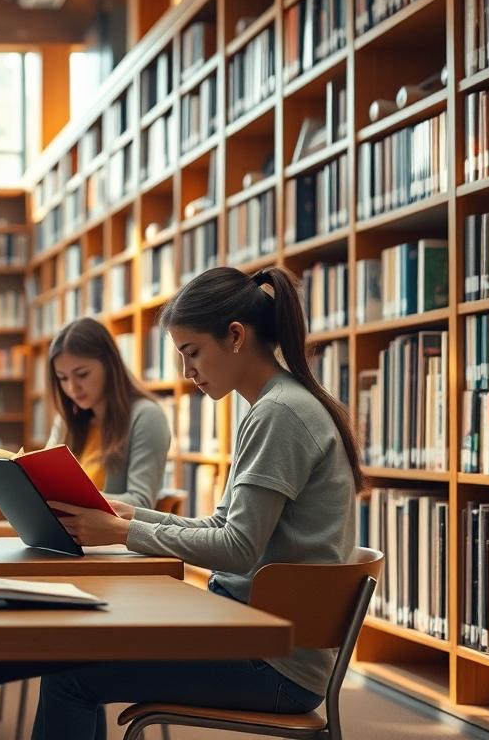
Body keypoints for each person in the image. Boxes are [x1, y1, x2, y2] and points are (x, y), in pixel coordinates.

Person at [18, 266, 362, 740]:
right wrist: (135, 515)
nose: (186, 372)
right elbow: (226, 524)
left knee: (69, 676)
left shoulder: (279, 413)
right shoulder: (276, 404)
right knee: (79, 651)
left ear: (236, 336)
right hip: (253, 633)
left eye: (192, 352)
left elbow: (237, 548)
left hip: (273, 663)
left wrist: (124, 534)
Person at [0, 317, 172, 738]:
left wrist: (84, 504)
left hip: (116, 560)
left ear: (110, 364)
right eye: (62, 378)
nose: (73, 387)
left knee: (7, 614)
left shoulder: (146, 417)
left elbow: (142, 503)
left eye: (82, 374)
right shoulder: (71, 418)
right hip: (66, 551)